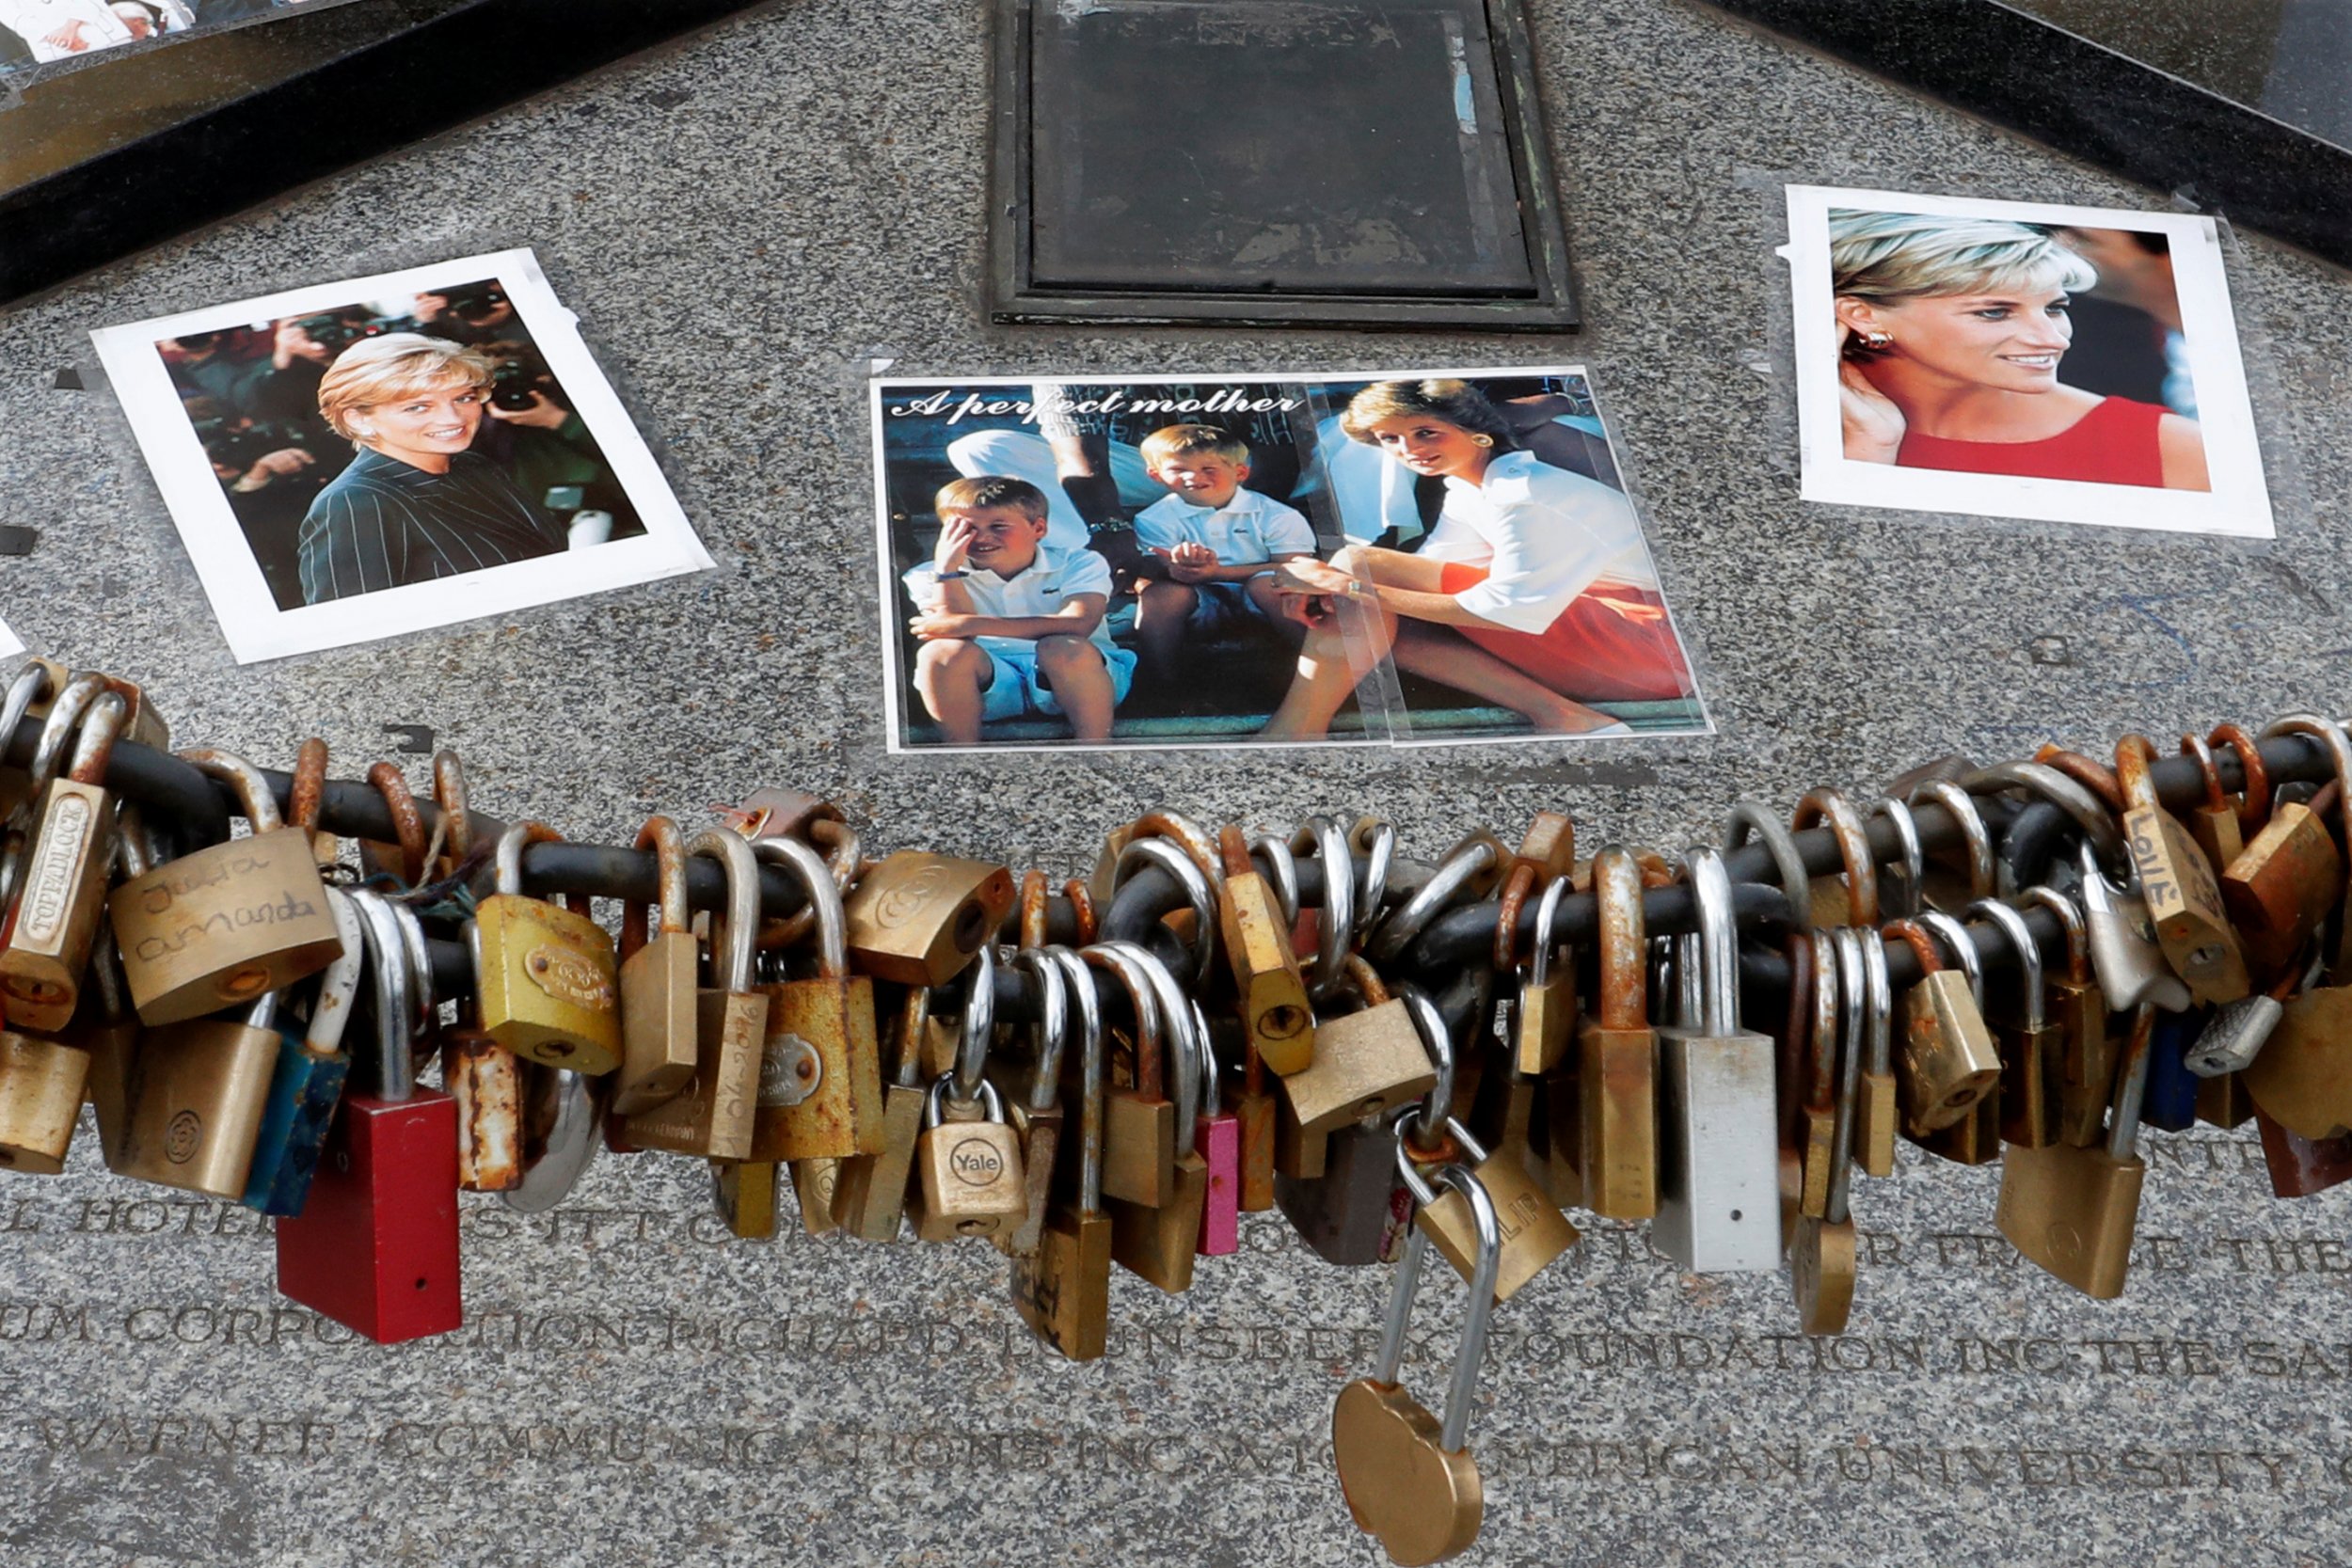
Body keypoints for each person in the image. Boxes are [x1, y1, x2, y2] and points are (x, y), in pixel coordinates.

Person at [1262, 380, 1692, 742]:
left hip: (1649, 649)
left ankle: (1296, 731)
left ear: (1476, 431)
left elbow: (1507, 613)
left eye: (1426, 432)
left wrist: (1346, 585)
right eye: (1390, 439)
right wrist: (1326, 584)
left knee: (1358, 575)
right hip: (1594, 631)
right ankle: (1565, 716)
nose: (1407, 449)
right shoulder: (1471, 488)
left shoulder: (1525, 493)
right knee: (1290, 588)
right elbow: (1427, 574)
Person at [1831, 210, 2207, 490]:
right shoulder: (1811, 416)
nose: (2054, 339)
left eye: (2055, 308)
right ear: (1861, 315)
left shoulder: (2172, 448)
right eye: (1994, 312)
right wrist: (1869, 454)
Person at [297, 334, 565, 605]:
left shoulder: (473, 466)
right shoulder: (355, 503)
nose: (453, 418)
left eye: (463, 398)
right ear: (358, 418)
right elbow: (354, 631)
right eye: (418, 407)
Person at [901, 476, 1134, 745]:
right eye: (966, 528)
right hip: (992, 681)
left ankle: (1094, 750)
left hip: (1084, 677)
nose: (982, 536)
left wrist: (970, 624)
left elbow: (1080, 624)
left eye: (998, 526)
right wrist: (946, 572)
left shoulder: (1078, 561)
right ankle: (960, 757)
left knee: (1063, 647)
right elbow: (955, 634)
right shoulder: (925, 575)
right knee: (940, 652)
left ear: (1038, 528)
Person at [1128, 423, 1315, 681]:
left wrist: (1219, 572)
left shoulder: (1276, 515)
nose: (1193, 477)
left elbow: (1299, 569)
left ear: (1240, 472)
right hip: (1201, 599)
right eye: (1178, 470)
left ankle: (1318, 668)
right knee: (1160, 595)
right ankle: (1163, 682)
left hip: (1260, 597)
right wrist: (1178, 568)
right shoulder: (1154, 519)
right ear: (1155, 475)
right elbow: (1157, 567)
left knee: (1269, 586)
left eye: (1208, 469)